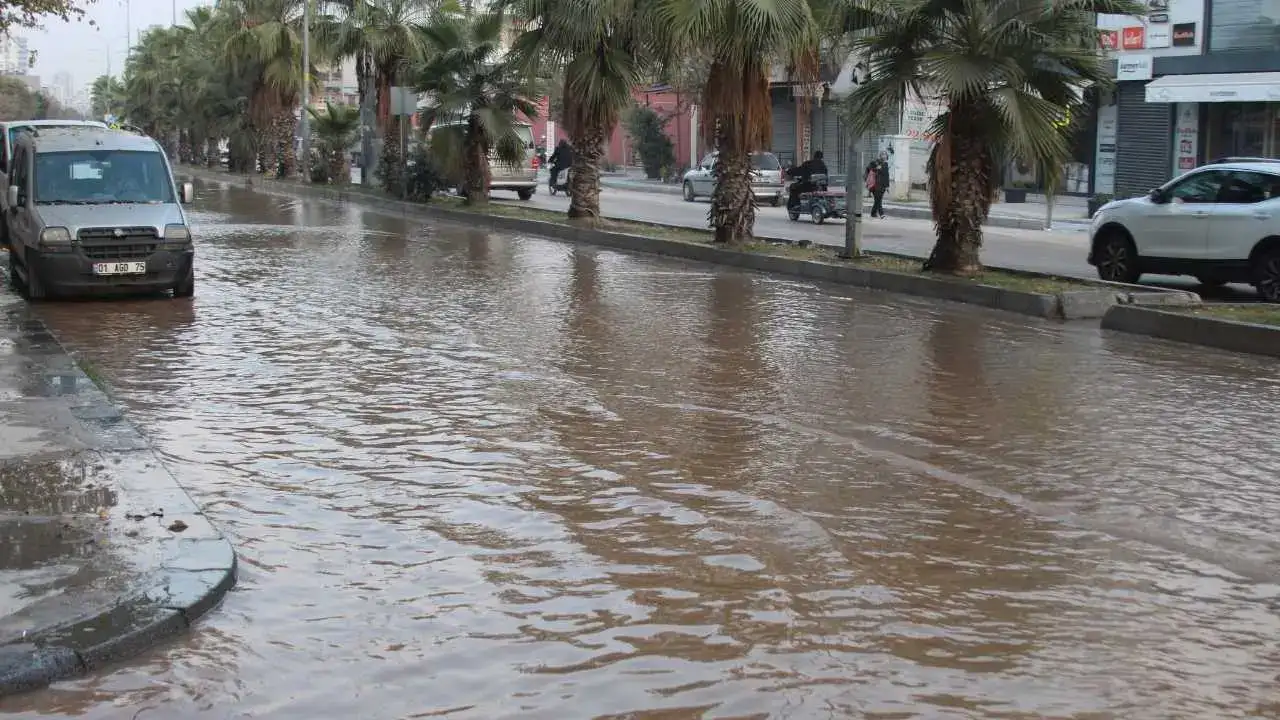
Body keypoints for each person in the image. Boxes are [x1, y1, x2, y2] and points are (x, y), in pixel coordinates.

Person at [865, 152, 890, 218]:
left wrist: (887, 186)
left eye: (885, 155)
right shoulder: (875, 162)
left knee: (878, 200)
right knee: (878, 199)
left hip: (882, 185)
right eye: (883, 155)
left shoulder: (886, 164)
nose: (884, 156)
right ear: (880, 156)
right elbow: (868, 169)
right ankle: (881, 214)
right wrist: (876, 168)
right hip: (875, 185)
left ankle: (873, 213)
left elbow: (886, 175)